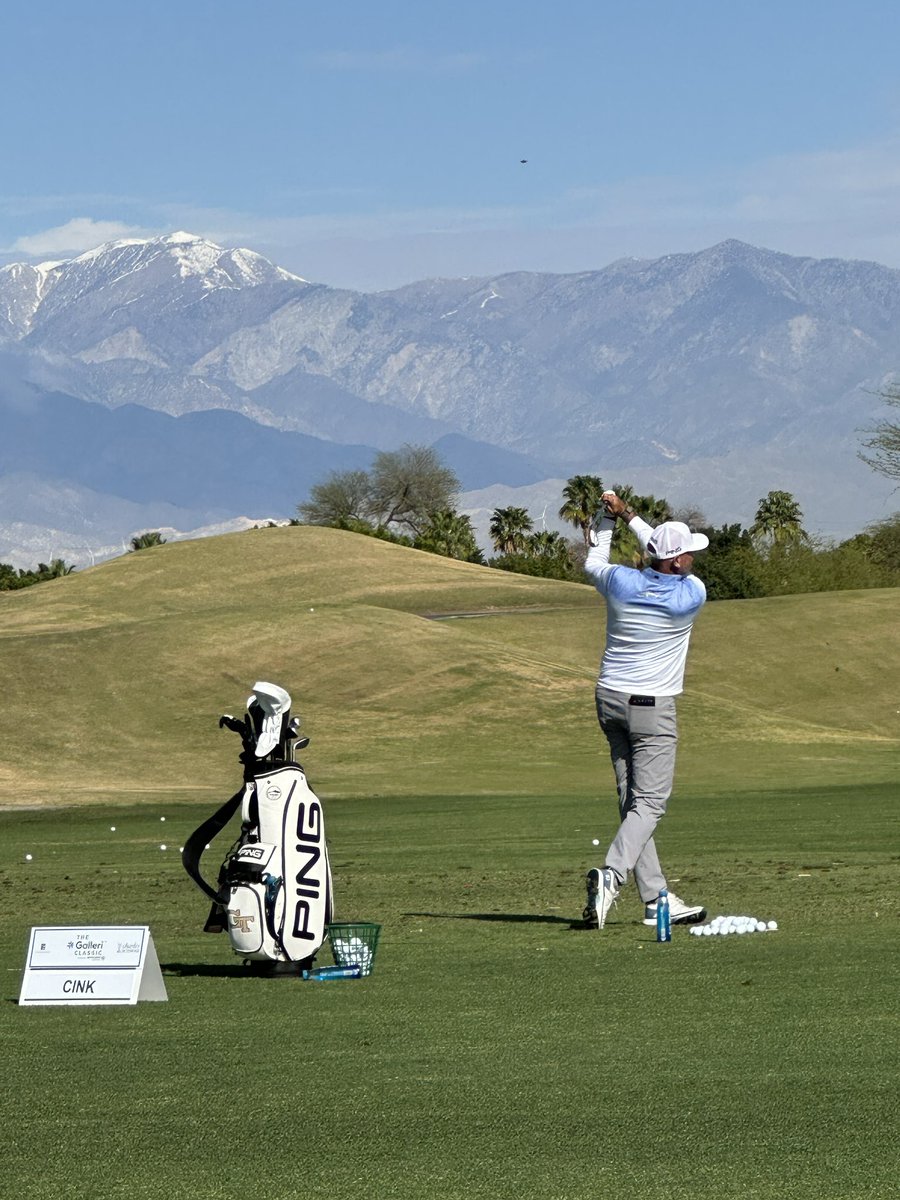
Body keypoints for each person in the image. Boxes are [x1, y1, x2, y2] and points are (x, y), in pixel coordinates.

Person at [582, 490, 709, 930]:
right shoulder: (690, 594)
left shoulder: (619, 581)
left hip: (609, 699)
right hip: (651, 708)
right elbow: (657, 546)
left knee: (631, 801)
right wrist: (631, 518)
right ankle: (611, 877)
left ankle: (657, 898)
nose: (692, 557)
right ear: (677, 563)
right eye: (688, 552)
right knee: (650, 804)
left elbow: (593, 561)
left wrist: (607, 519)